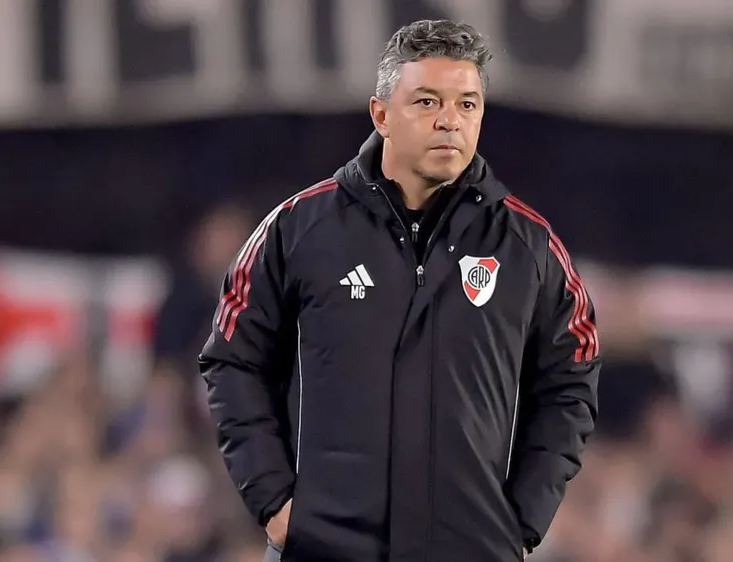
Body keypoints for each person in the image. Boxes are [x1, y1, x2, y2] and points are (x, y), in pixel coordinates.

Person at [198, 19, 601, 562]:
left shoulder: (528, 246)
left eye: (467, 104)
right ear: (381, 114)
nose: (449, 122)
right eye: (427, 102)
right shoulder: (298, 230)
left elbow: (571, 380)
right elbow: (232, 360)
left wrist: (523, 518)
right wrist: (273, 499)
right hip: (324, 549)